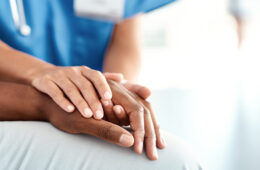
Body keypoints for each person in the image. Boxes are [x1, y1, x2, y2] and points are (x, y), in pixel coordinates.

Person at [0, 0, 201, 169]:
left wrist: (109, 94)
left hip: (71, 108)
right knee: (174, 162)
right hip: (11, 106)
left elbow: (124, 38)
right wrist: (46, 86)